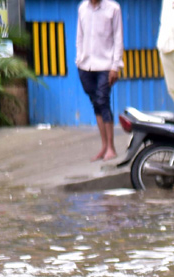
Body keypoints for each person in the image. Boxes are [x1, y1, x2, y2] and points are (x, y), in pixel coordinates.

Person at [75, 0, 124, 160]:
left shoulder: (113, 9)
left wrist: (115, 66)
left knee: (103, 100)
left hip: (105, 65)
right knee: (96, 102)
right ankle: (104, 146)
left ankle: (111, 147)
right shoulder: (82, 8)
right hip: (86, 65)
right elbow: (79, 36)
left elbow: (118, 38)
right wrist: (79, 59)